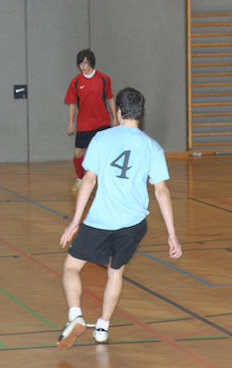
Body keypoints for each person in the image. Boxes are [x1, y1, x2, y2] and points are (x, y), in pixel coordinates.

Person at [56, 87, 182, 349]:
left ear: (118, 111)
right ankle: (102, 327)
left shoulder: (102, 138)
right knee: (116, 272)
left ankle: (75, 315)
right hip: (134, 225)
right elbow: (162, 191)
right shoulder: (152, 147)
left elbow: (89, 179)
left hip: (101, 221)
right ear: (141, 113)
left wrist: (75, 221)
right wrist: (172, 235)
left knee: (71, 267)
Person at [64, 49, 117, 192]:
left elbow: (110, 98)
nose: (83, 66)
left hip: (102, 122)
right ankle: (80, 178)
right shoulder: (75, 82)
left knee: (105, 153)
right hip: (84, 124)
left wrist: (115, 118)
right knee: (78, 154)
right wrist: (71, 122)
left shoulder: (104, 79)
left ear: (91, 63)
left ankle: (106, 180)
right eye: (80, 63)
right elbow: (72, 103)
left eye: (86, 63)